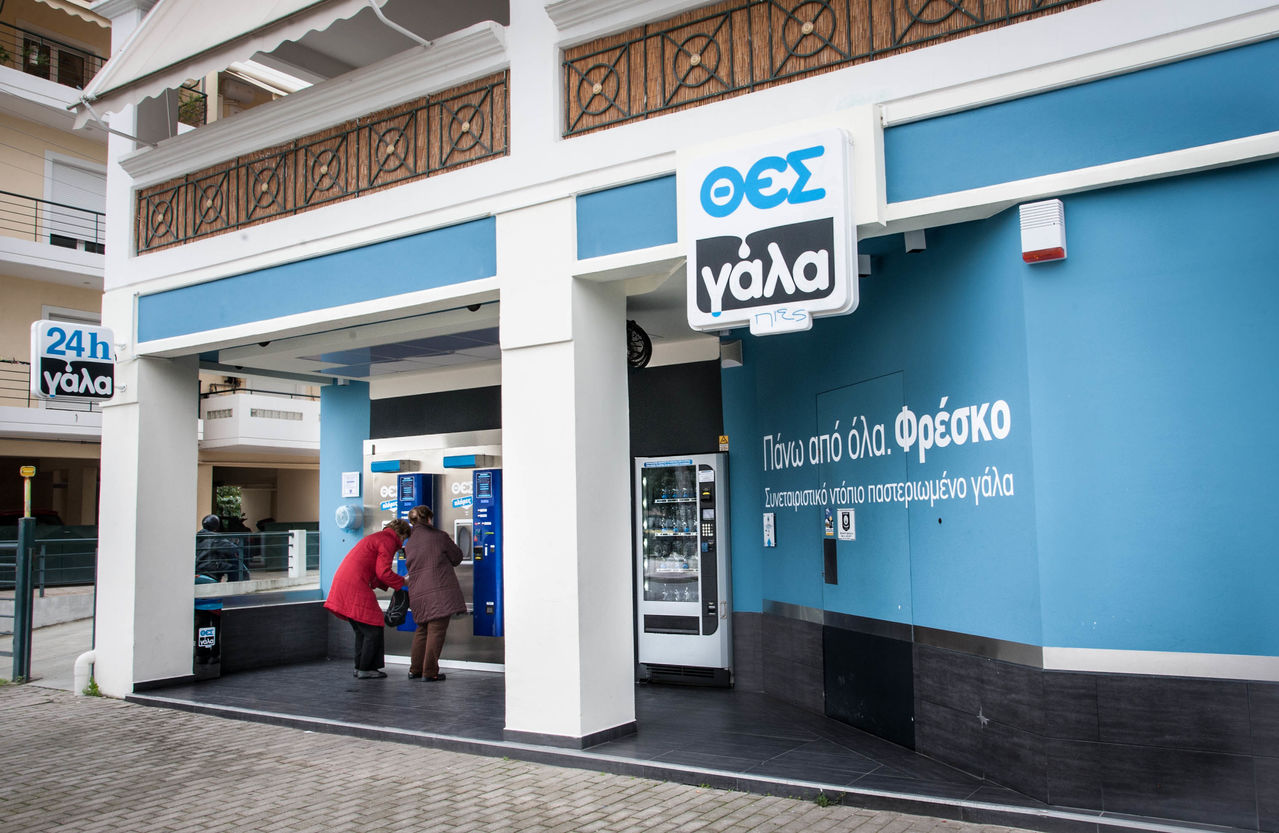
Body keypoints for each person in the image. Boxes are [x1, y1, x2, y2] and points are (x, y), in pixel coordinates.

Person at [324, 518, 411, 679]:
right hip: (355, 585)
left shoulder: (377, 537)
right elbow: (383, 572)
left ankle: (360, 667)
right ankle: (366, 668)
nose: (402, 544)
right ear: (401, 534)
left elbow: (375, 571)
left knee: (362, 630)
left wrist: (393, 583)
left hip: (344, 583)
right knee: (373, 627)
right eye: (404, 539)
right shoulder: (388, 541)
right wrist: (403, 582)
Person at [402, 505, 466, 681]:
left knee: (422, 630)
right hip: (439, 593)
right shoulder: (439, 536)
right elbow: (457, 557)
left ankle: (415, 669)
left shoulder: (409, 542)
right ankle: (430, 672)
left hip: (418, 592)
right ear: (429, 519)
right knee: (436, 631)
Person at [195, 514, 249, 582]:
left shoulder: (198, 536)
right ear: (216, 526)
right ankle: (232, 586)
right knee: (234, 568)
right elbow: (233, 549)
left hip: (198, 567)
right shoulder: (216, 538)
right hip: (210, 567)